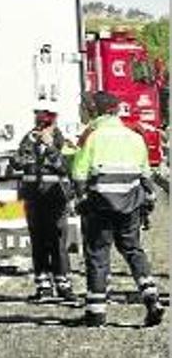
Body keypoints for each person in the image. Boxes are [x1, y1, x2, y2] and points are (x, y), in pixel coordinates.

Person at [71, 91, 164, 327]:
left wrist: (80, 199)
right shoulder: (134, 136)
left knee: (98, 254)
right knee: (133, 250)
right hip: (130, 203)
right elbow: (145, 174)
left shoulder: (92, 135)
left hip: (100, 204)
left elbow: (79, 172)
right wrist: (148, 201)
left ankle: (96, 312)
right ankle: (151, 296)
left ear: (96, 111)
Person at [12, 106, 76, 302]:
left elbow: (66, 167)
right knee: (38, 241)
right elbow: (16, 163)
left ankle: (63, 284)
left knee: (57, 241)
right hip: (34, 198)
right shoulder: (29, 140)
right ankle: (43, 285)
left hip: (55, 198)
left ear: (54, 124)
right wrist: (28, 146)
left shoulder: (64, 142)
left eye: (46, 124)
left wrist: (50, 147)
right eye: (39, 124)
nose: (42, 128)